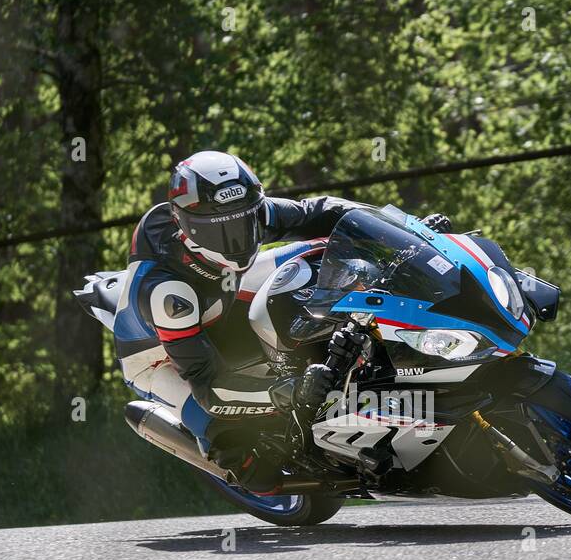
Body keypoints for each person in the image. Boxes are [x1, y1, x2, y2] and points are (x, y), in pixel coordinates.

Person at [113, 149, 449, 485]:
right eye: (223, 232)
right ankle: (239, 460)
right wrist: (284, 391)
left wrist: (407, 229)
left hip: (225, 289)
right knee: (239, 450)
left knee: (327, 254)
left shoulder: (247, 213)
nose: (240, 238)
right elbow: (208, 386)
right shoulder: (168, 295)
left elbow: (321, 212)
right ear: (187, 228)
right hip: (157, 352)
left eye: (246, 222)